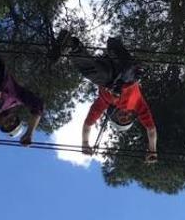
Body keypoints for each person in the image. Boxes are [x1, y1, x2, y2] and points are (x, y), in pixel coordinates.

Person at [55, 31, 158, 162]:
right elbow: (151, 129)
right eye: (128, 118)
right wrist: (152, 150)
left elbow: (88, 125)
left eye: (121, 118)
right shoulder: (139, 105)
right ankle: (114, 45)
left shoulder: (104, 102)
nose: (125, 115)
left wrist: (85, 143)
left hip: (107, 72)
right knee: (128, 70)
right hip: (128, 74)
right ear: (133, 116)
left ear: (113, 116)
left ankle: (72, 46)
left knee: (97, 76)